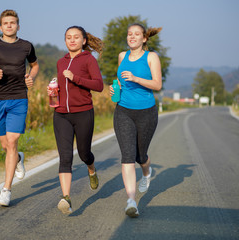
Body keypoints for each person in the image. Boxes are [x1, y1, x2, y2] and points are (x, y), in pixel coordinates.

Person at [0, 9, 39, 207]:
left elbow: (35, 66)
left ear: (18, 26)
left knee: (12, 142)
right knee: (6, 146)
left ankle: (6, 190)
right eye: (6, 23)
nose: (10, 26)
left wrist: (31, 77)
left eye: (13, 23)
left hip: (19, 98)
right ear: (1, 26)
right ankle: (19, 157)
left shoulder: (26, 46)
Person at [109, 23, 162, 217]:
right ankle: (131, 200)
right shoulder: (122, 56)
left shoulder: (152, 57)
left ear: (144, 38)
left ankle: (147, 173)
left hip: (146, 112)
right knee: (127, 155)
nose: (132, 37)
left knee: (141, 156)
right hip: (123, 111)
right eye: (129, 34)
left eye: (136, 34)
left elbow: (157, 84)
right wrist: (114, 90)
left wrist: (136, 78)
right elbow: (120, 83)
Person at [50, 26, 104, 214]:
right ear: (65, 40)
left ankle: (91, 168)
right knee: (65, 158)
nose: (72, 40)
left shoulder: (89, 60)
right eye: (68, 37)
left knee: (84, 153)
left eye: (76, 37)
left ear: (84, 41)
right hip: (61, 114)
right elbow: (62, 87)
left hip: (83, 113)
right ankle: (66, 198)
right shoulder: (60, 62)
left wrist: (75, 78)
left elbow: (99, 85)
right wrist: (54, 91)